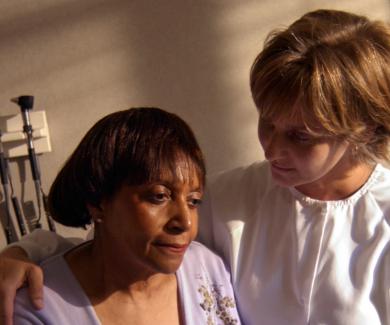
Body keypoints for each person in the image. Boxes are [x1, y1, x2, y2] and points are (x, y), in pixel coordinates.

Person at [1, 8, 390, 325]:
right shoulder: (227, 199)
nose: (272, 147)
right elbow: (113, 241)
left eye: (300, 136)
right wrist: (20, 253)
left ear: (363, 129)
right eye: (266, 122)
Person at [9, 107, 241, 324]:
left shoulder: (207, 270)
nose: (185, 222)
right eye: (159, 196)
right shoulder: (38, 308)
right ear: (98, 202)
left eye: (193, 201)